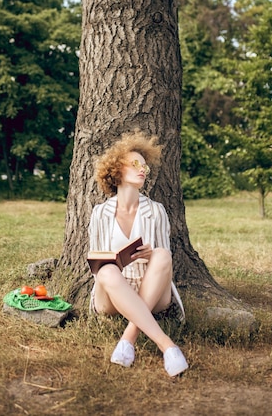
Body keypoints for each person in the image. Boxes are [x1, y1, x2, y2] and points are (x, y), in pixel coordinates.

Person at [88, 129, 188, 377]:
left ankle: (128, 339)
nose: (142, 169)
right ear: (117, 169)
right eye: (135, 164)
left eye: (145, 166)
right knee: (107, 271)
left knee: (163, 254)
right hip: (113, 296)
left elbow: (165, 263)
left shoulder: (156, 211)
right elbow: (95, 264)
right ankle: (167, 344)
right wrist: (113, 262)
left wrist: (151, 254)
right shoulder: (100, 213)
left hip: (152, 293)